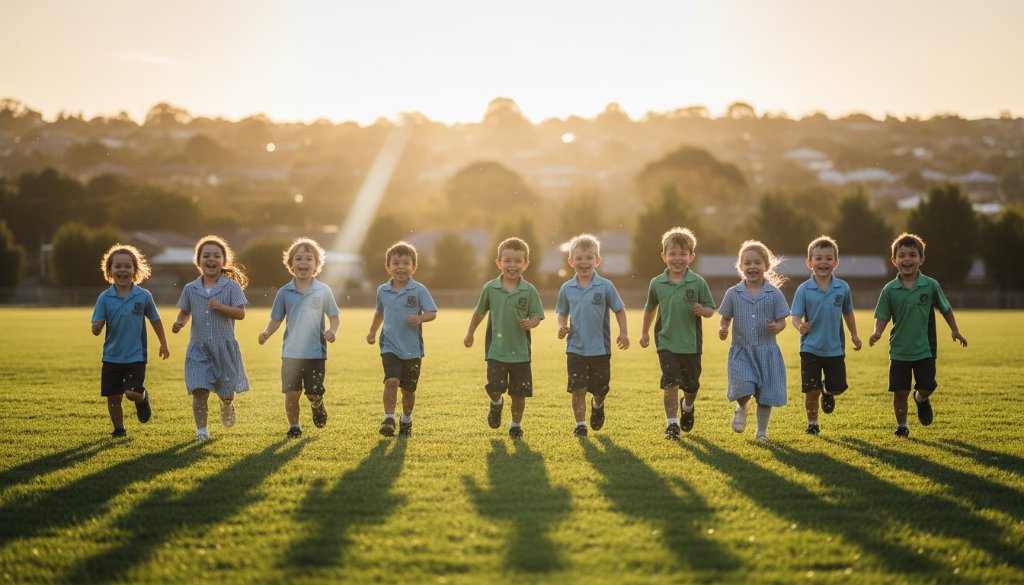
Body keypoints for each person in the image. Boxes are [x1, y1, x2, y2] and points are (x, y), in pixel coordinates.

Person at [869, 232, 967, 438]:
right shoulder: (889, 290)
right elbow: (883, 316)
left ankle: (921, 399)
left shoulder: (930, 285)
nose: (907, 259)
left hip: (925, 349)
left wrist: (955, 330)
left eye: (912, 255)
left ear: (921, 259)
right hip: (899, 350)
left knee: (928, 386)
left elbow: (946, 308)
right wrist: (877, 332)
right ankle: (902, 426)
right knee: (900, 392)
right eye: (902, 255)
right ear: (894, 260)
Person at [258, 237, 340, 438]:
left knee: (312, 393)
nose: (303, 262)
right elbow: (276, 318)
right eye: (298, 258)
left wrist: (332, 331)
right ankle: (294, 426)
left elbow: (334, 316)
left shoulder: (323, 291)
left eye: (309, 259)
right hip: (291, 353)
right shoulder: (285, 292)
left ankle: (317, 403)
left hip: (315, 353)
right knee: (291, 393)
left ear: (316, 265)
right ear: (291, 264)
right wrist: (267, 332)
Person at [639, 227, 716, 440]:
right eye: (672, 254)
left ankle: (687, 406)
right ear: (664, 256)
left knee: (691, 386)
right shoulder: (657, 283)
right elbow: (650, 308)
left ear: (691, 256)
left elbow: (711, 309)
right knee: (671, 383)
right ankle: (672, 425)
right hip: (666, 342)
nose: (677, 258)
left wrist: (704, 310)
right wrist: (644, 333)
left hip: (691, 344)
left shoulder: (698, 282)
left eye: (683, 254)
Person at [171, 235, 250, 441]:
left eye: (216, 255)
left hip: (224, 348)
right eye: (206, 255)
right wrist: (180, 322)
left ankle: (226, 402)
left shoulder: (231, 287)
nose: (211, 259)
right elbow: (185, 311)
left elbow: (241, 314)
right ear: (198, 261)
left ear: (224, 261)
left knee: (225, 390)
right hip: (199, 349)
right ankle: (202, 431)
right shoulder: (190, 288)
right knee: (199, 390)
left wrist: (222, 307)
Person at [464, 237, 544, 440]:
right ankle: (496, 403)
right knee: (494, 388)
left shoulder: (530, 290)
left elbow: (537, 315)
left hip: (521, 354)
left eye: (518, 261)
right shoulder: (490, 288)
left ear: (526, 264)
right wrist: (470, 332)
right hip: (496, 351)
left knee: (519, 395)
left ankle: (516, 425)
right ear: (498, 262)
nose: (512, 265)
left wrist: (532, 323)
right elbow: (479, 312)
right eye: (507, 260)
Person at [91, 244, 169, 438]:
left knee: (132, 394)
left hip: (135, 355)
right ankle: (119, 429)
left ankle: (142, 398)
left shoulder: (143, 296)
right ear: (109, 271)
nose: (123, 270)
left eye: (127, 266)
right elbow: (96, 326)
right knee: (114, 397)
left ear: (135, 270)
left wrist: (163, 343)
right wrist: (96, 327)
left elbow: (155, 320)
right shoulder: (105, 298)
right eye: (118, 266)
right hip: (111, 356)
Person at [555, 234, 629, 437]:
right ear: (571, 262)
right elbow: (561, 312)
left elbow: (620, 310)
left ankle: (597, 405)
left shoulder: (605, 286)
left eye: (589, 258)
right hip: (575, 348)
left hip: (600, 349)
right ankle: (580, 425)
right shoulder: (567, 288)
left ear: (597, 260)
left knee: (600, 389)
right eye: (578, 258)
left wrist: (623, 332)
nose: (584, 262)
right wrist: (561, 326)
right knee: (577, 389)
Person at [718, 240, 790, 442]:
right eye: (747, 263)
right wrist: (723, 328)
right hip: (741, 351)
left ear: (766, 266)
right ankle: (742, 407)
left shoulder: (774, 294)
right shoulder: (733, 293)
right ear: (740, 267)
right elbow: (725, 317)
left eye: (757, 263)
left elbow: (782, 320)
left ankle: (762, 432)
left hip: (767, 352)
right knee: (743, 388)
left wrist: (777, 327)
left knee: (766, 396)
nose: (752, 267)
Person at [790, 236, 862, 435]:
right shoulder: (804, 289)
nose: (824, 262)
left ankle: (828, 391)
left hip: (834, 348)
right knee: (810, 390)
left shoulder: (842, 288)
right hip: (810, 348)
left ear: (836, 263)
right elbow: (795, 315)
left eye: (829, 258)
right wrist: (799, 325)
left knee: (838, 387)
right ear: (809, 263)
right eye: (819, 258)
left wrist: (854, 334)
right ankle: (812, 424)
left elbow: (848, 312)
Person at [366, 241, 437, 437]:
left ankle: (406, 419)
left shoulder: (419, 290)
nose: (401, 267)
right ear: (388, 267)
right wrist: (372, 331)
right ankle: (388, 418)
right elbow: (379, 312)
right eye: (395, 263)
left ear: (414, 267)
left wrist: (420, 318)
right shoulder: (382, 291)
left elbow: (432, 312)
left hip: (412, 349)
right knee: (391, 381)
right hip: (389, 345)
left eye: (406, 263)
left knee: (408, 390)